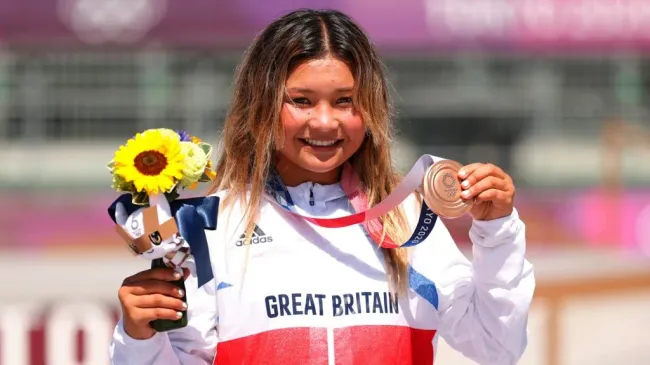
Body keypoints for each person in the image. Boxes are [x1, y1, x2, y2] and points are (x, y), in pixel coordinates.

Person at [109, 8, 534, 365]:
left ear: (369, 108)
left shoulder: (408, 224)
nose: (326, 122)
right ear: (260, 105)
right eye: (302, 101)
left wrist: (497, 233)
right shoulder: (209, 227)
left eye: (345, 100)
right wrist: (139, 337)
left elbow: (497, 345)